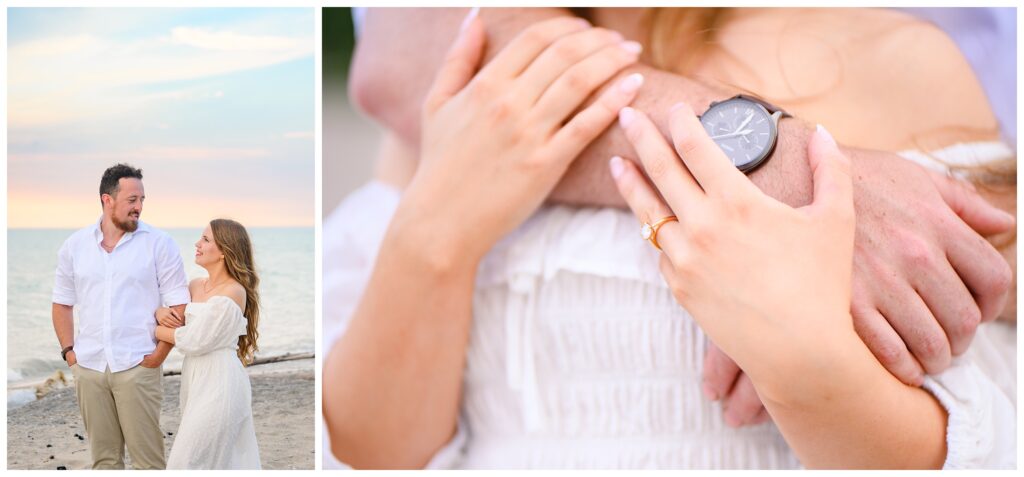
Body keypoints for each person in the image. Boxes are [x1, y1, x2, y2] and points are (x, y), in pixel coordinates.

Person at [324, 8, 1016, 469]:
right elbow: (373, 455)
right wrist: (434, 236)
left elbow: (990, 439)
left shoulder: (888, 58)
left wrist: (808, 369)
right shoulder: (471, 80)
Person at [52, 163, 190, 470]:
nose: (139, 206)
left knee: (148, 462)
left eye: (142, 200)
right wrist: (70, 354)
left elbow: (180, 305)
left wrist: (157, 357)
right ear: (107, 199)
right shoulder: (74, 246)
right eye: (132, 200)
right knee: (104, 461)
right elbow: (62, 303)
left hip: (137, 366)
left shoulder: (159, 243)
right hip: (89, 368)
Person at [153, 219, 262, 469]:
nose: (197, 243)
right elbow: (173, 315)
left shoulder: (233, 292)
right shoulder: (194, 286)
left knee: (187, 461)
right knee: (211, 461)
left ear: (224, 251)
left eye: (205, 239)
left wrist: (157, 330)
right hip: (195, 379)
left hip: (222, 382)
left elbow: (195, 340)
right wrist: (160, 312)